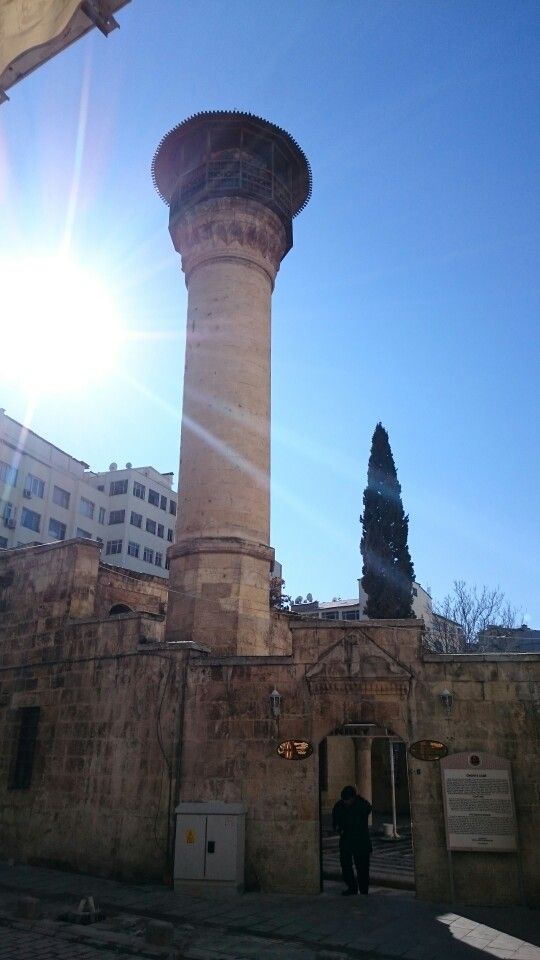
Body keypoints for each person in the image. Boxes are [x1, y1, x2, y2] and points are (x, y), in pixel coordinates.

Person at [332, 784, 372, 896]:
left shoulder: (361, 805)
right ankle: (352, 887)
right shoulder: (339, 806)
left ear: (353, 798)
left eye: (348, 800)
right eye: (345, 800)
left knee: (362, 868)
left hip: (361, 841)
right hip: (346, 840)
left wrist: (359, 799)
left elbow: (368, 808)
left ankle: (364, 890)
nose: (346, 802)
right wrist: (338, 829)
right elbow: (335, 821)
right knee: (345, 866)